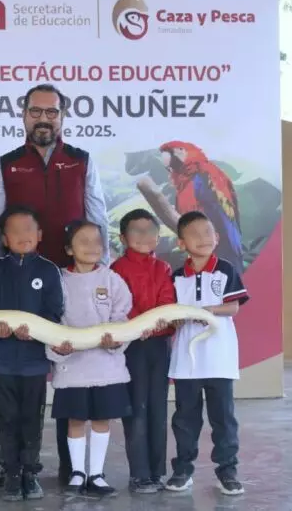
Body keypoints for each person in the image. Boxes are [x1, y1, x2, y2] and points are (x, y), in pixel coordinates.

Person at [0, 83, 109, 484]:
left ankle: (72, 466)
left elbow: (98, 216)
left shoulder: (81, 160)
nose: (44, 118)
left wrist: (100, 269)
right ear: (23, 115)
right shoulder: (6, 163)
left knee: (70, 371)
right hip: (21, 285)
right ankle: (16, 467)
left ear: (62, 117)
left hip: (71, 280)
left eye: (52, 112)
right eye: (36, 111)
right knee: (24, 381)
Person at [45, 220, 135, 496]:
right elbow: (50, 321)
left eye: (97, 241)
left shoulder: (112, 280)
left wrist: (116, 340)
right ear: (68, 249)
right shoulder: (58, 280)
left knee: (101, 420)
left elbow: (123, 318)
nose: (92, 247)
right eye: (83, 241)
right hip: (72, 370)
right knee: (74, 420)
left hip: (106, 368)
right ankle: (77, 473)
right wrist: (58, 346)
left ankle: (96, 474)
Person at [165, 211, 249, 496]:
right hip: (186, 361)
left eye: (207, 232)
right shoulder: (176, 276)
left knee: (223, 419)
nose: (203, 239)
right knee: (185, 418)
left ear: (217, 236)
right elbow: (173, 314)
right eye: (194, 234)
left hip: (219, 358)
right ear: (181, 243)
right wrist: (179, 318)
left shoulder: (226, 269)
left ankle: (227, 472)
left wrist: (208, 312)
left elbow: (233, 308)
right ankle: (182, 470)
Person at [0, 205, 64, 501]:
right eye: (15, 231)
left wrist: (35, 329)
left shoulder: (48, 270)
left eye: (29, 229)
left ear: (40, 235)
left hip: (34, 362)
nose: (23, 236)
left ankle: (30, 472)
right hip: (4, 360)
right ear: (4, 239)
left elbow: (54, 311)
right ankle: (10, 472)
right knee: (5, 418)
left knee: (32, 418)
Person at [110, 209, 176, 493]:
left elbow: (168, 303)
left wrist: (156, 324)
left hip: (159, 344)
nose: (143, 236)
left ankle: (157, 472)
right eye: (136, 230)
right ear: (123, 237)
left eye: (150, 230)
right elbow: (121, 306)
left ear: (158, 237)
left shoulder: (162, 268)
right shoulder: (116, 270)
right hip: (131, 346)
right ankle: (139, 474)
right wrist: (140, 325)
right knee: (136, 409)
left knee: (158, 408)